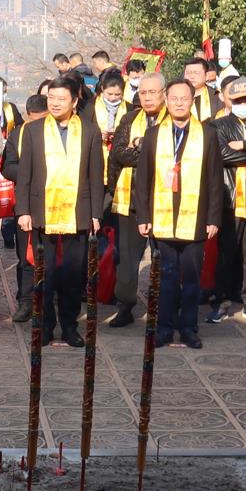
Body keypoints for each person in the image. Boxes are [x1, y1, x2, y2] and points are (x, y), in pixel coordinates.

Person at [14, 77, 105, 348]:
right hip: (42, 213)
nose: (55, 103)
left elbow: (95, 174)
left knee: (72, 275)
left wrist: (96, 214)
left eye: (61, 98)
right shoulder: (33, 131)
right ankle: (45, 325)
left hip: (78, 213)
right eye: (51, 97)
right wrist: (23, 210)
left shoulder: (89, 131)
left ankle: (69, 326)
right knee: (45, 274)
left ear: (75, 101)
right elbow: (25, 174)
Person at [134, 79, 224, 348]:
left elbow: (215, 180)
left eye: (184, 98)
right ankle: (164, 327)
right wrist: (143, 217)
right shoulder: (153, 135)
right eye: (173, 98)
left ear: (192, 101)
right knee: (165, 277)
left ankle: (189, 327)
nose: (179, 103)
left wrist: (213, 219)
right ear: (166, 100)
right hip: (161, 218)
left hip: (195, 217)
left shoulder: (207, 134)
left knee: (192, 278)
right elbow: (143, 180)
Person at [106, 73, 165, 327]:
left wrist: (140, 149)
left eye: (153, 92)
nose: (148, 97)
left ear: (164, 93)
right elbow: (118, 154)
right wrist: (147, 153)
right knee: (128, 258)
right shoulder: (130, 119)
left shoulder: (174, 121)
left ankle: (163, 307)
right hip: (129, 200)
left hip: (164, 200)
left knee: (164, 257)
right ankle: (125, 305)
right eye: (143, 93)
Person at [208, 77, 246, 323]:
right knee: (227, 253)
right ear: (229, 101)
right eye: (238, 100)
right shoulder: (218, 125)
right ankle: (222, 299)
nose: (244, 103)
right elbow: (222, 154)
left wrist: (245, 144)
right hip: (230, 197)